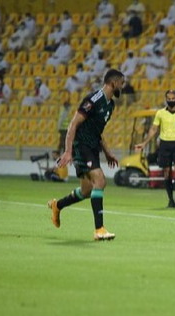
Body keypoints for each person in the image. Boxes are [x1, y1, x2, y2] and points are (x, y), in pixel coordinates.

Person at [47, 69, 125, 241]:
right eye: (121, 83)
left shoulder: (110, 104)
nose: (122, 87)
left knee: (87, 189)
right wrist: (68, 151)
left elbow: (98, 131)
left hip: (92, 146)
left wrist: (107, 152)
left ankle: (57, 205)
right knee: (100, 180)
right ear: (113, 83)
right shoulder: (93, 100)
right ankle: (99, 229)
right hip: (81, 145)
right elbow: (73, 124)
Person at [135, 90, 175, 208]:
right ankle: (170, 199)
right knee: (166, 173)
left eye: (173, 98)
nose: (171, 101)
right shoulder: (160, 113)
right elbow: (153, 129)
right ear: (166, 99)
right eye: (169, 99)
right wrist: (145, 143)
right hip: (165, 144)